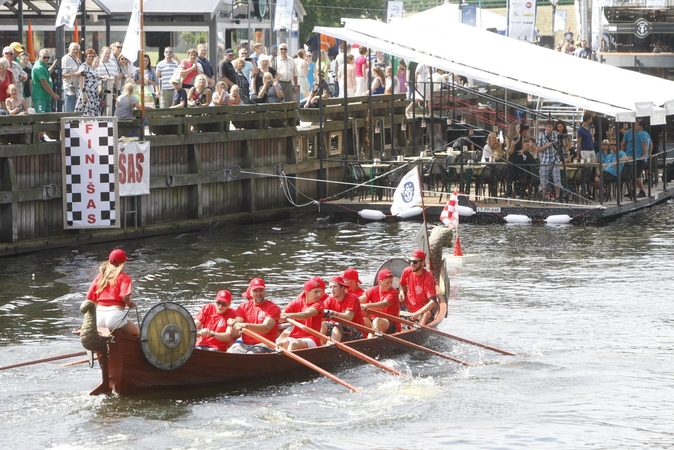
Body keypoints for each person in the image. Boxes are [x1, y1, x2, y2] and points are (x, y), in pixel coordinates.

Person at [85, 249, 139, 335]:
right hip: (115, 315)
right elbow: (125, 297)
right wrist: (130, 304)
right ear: (123, 263)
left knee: (106, 338)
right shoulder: (124, 278)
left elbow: (90, 299)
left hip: (98, 316)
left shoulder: (100, 278)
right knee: (137, 334)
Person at [227, 278, 281, 354]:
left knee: (250, 355)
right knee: (230, 352)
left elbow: (265, 328)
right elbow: (234, 331)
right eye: (255, 291)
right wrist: (232, 324)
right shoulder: (243, 306)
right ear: (250, 292)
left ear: (265, 291)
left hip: (265, 345)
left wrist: (246, 325)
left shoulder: (273, 308)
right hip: (245, 344)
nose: (258, 294)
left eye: (261, 290)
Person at [277, 278, 326, 351]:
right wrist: (281, 315)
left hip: (312, 338)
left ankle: (288, 361)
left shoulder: (319, 304)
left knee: (294, 344)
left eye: (319, 291)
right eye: (315, 292)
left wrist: (290, 315)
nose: (319, 295)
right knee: (281, 344)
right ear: (307, 293)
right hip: (295, 336)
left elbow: (306, 315)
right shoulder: (296, 302)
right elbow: (282, 313)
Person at [399, 250, 437, 326]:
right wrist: (401, 292)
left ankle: (418, 331)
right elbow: (401, 284)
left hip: (422, 311)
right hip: (407, 309)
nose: (412, 264)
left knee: (427, 314)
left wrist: (418, 313)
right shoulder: (406, 271)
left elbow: (433, 302)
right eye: (410, 261)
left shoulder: (428, 278)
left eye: (415, 262)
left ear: (423, 263)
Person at [322, 276, 364, 342]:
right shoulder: (330, 299)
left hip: (356, 332)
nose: (332, 290)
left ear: (343, 288)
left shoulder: (352, 298)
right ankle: (319, 348)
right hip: (338, 329)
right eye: (330, 287)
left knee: (337, 325)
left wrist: (333, 313)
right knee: (322, 325)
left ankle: (331, 349)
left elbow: (349, 317)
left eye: (335, 287)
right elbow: (320, 312)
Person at [359, 269, 400, 335]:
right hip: (375, 323)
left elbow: (384, 304)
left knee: (377, 321)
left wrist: (367, 306)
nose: (390, 285)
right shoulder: (373, 290)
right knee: (363, 320)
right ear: (380, 282)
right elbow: (360, 299)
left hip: (392, 324)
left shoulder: (394, 292)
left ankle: (369, 343)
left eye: (391, 282)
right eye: (388, 282)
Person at [621, 119, 650, 198]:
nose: (634, 126)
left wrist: (645, 154)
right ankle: (633, 190)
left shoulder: (641, 133)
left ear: (640, 126)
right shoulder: (642, 133)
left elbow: (645, 143)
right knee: (633, 174)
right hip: (633, 156)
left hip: (638, 157)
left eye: (636, 125)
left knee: (636, 175)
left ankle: (642, 190)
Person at [535, 119, 562, 200]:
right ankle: (544, 196)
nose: (549, 128)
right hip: (545, 160)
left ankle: (557, 196)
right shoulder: (541, 136)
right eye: (547, 127)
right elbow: (538, 149)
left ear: (552, 127)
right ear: (545, 127)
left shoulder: (556, 135)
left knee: (557, 179)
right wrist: (546, 145)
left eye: (550, 127)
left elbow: (562, 145)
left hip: (555, 159)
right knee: (544, 179)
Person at [507, 122, 531, 199]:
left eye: (520, 128)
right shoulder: (509, 138)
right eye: (518, 128)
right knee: (510, 179)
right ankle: (509, 197)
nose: (519, 130)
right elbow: (509, 152)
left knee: (519, 179)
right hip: (512, 159)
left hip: (519, 159)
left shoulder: (521, 137)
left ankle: (518, 197)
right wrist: (513, 145)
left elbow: (522, 149)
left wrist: (523, 150)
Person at [31, 49, 59, 113]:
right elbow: (44, 84)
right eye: (44, 57)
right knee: (41, 117)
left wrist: (53, 66)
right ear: (39, 56)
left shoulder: (43, 65)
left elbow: (47, 74)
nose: (46, 59)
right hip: (40, 97)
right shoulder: (39, 67)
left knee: (47, 117)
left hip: (46, 96)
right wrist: (54, 95)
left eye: (48, 57)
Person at [75, 48, 101, 117]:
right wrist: (83, 93)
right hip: (87, 90)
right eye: (89, 56)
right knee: (86, 109)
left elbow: (95, 77)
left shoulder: (94, 67)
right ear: (86, 57)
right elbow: (80, 79)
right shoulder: (83, 66)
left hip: (94, 91)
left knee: (94, 108)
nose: (91, 58)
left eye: (92, 56)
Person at [61, 42, 81, 112]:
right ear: (69, 49)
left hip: (76, 88)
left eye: (77, 49)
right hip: (69, 88)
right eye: (74, 49)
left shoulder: (77, 59)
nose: (75, 51)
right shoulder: (66, 58)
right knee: (69, 109)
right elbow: (63, 75)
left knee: (74, 109)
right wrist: (75, 74)